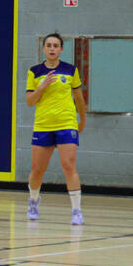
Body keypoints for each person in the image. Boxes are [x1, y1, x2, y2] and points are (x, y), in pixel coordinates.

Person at [26, 32, 87, 224]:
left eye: (56, 46)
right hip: (43, 125)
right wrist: (42, 86)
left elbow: (78, 97)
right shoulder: (34, 72)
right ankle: (33, 201)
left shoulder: (70, 70)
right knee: (37, 170)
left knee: (69, 166)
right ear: (44, 48)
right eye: (49, 45)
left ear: (61, 49)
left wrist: (82, 120)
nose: (52, 49)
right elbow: (29, 101)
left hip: (66, 124)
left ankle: (76, 210)